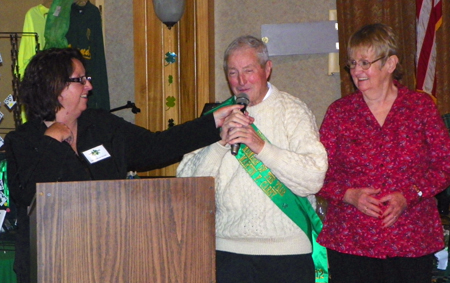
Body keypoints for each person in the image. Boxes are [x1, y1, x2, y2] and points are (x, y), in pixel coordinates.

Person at [5, 47, 251, 283]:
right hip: (53, 266)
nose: (89, 86)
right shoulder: (24, 141)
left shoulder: (102, 127)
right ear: (55, 86)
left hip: (111, 263)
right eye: (80, 79)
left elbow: (157, 146)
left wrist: (212, 122)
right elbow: (26, 194)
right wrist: (51, 141)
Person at [177, 35, 328, 283]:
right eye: (233, 73)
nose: (241, 81)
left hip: (287, 252)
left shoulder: (293, 110)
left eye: (248, 71)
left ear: (267, 69)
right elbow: (186, 185)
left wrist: (261, 147)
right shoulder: (215, 117)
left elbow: (313, 178)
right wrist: (218, 143)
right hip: (228, 251)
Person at [317, 23, 450, 283]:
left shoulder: (420, 108)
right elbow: (316, 172)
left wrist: (410, 196)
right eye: (352, 63)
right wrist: (349, 195)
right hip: (350, 241)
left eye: (365, 63)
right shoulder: (339, 113)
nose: (357, 71)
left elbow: (444, 166)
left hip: (410, 239)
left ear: (390, 64)